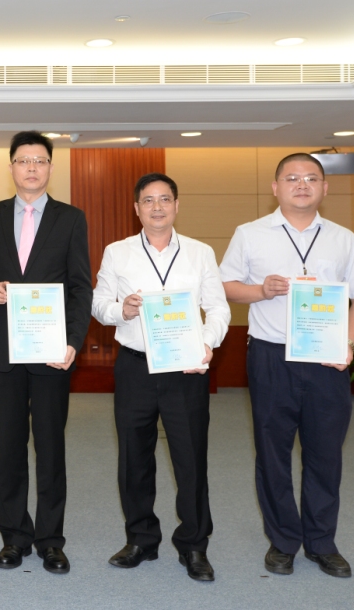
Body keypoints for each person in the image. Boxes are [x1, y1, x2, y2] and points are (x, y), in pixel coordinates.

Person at [221, 153, 354, 579]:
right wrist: (260, 290)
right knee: (272, 452)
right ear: (275, 188)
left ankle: (322, 542)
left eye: (312, 178)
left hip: (326, 358)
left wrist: (347, 342)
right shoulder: (250, 234)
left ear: (325, 188)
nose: (302, 185)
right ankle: (284, 540)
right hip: (272, 356)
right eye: (292, 178)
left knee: (325, 453)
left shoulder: (343, 239)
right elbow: (226, 287)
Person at [91, 173, 230, 582]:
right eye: (148, 200)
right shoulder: (117, 253)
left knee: (190, 458)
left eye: (164, 199)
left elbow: (219, 308)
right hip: (135, 365)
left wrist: (206, 344)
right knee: (134, 457)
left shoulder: (200, 252)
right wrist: (123, 310)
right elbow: (99, 304)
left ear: (176, 205)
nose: (156, 207)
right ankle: (141, 539)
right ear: (136, 208)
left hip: (185, 368)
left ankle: (194, 545)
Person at [0, 131, 93, 574]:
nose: (32, 168)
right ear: (12, 168)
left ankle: (51, 540)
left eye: (40, 161)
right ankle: (14, 538)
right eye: (24, 161)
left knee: (50, 446)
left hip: (50, 349)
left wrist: (73, 342)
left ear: (51, 168)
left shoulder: (70, 218)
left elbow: (81, 286)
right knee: (10, 446)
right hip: (5, 348)